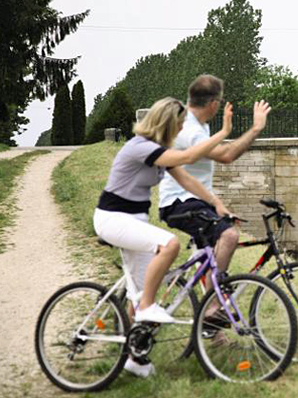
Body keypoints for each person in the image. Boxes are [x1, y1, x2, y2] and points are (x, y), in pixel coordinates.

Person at [93, 97, 233, 376]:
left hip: (135, 220)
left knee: (148, 290)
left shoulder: (158, 151)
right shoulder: (141, 147)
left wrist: (217, 203)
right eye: (179, 125)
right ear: (168, 124)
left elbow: (188, 180)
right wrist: (224, 132)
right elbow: (189, 157)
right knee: (169, 245)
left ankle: (135, 356)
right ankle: (145, 307)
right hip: (113, 219)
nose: (181, 130)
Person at [158, 75, 271, 318]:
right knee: (229, 235)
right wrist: (256, 129)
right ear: (214, 104)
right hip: (180, 203)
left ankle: (211, 333)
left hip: (195, 200)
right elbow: (226, 155)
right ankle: (212, 309)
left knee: (211, 260)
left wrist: (218, 205)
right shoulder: (189, 130)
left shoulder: (198, 125)